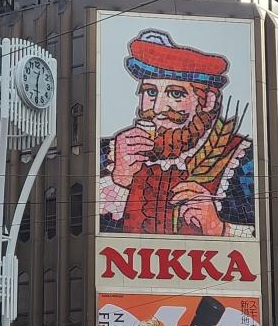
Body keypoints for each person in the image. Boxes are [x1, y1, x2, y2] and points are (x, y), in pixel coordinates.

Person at [99, 29, 254, 237]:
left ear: (208, 101)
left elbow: (272, 234)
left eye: (175, 94)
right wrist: (119, 180)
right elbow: (81, 230)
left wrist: (220, 228)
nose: (158, 108)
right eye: (150, 92)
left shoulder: (242, 160)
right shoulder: (109, 153)